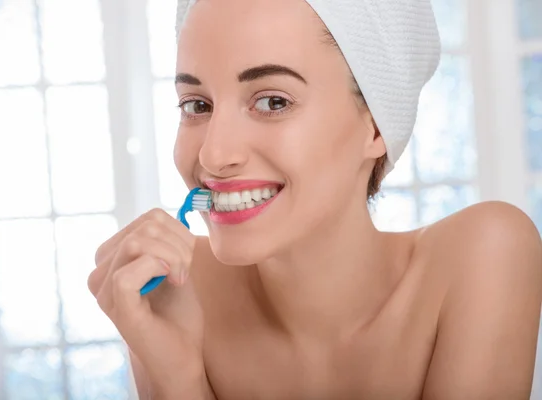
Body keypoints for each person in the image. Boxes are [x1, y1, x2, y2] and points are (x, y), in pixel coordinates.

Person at [87, 0, 542, 398]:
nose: (213, 154)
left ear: (376, 125)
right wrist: (176, 382)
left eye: (272, 102)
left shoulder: (482, 255)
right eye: (197, 105)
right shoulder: (171, 291)